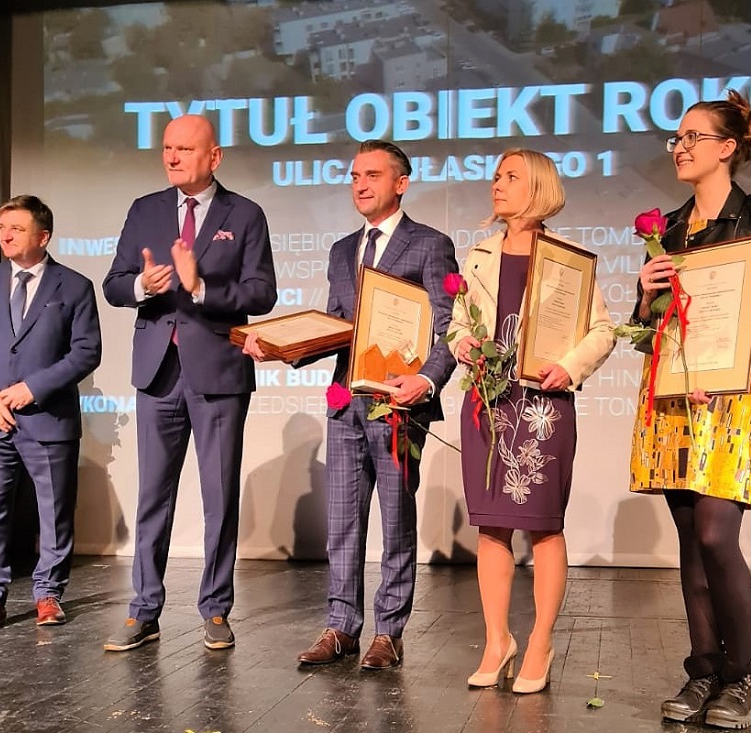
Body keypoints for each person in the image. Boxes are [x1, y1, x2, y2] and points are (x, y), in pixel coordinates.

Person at [241, 139, 459, 670]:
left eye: (372, 176)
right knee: (342, 522)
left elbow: (450, 328)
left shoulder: (430, 245)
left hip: (398, 405)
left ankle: (389, 631)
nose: (360, 185)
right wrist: (282, 349)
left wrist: (425, 381)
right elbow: (338, 329)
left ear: (401, 184)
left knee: (396, 520)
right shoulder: (343, 250)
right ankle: (341, 626)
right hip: (346, 405)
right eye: (355, 176)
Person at [628, 89, 751, 728]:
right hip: (672, 402)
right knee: (689, 541)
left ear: (727, 148)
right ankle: (703, 670)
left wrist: (731, 366)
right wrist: (643, 296)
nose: (679, 147)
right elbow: (646, 332)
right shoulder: (667, 230)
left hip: (727, 405)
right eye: (676, 138)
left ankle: (741, 677)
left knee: (715, 535)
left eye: (692, 137)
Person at [101, 113, 278, 652]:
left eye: (184, 148)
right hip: (158, 371)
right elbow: (113, 284)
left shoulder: (244, 214)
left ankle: (216, 608)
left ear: (214, 157)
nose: (172, 157)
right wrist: (142, 284)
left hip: (218, 372)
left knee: (218, 496)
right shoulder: (145, 209)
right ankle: (143, 610)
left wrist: (201, 289)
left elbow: (262, 292)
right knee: (153, 494)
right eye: (167, 148)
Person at [446, 148, 616, 693]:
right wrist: (461, 343)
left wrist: (569, 367)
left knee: (543, 525)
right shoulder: (478, 256)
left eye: (511, 176)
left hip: (543, 403)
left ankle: (540, 641)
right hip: (487, 401)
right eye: (496, 175)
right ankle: (497, 641)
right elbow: (456, 324)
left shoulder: (568, 257)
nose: (497, 184)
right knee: (491, 524)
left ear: (538, 187)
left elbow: (603, 330)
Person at [0, 194, 102, 632]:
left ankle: (48, 594)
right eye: (2, 228)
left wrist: (32, 388)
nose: (6, 236)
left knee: (54, 512)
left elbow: (86, 351)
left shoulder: (74, 286)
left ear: (43, 236)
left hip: (48, 419)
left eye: (16, 228)